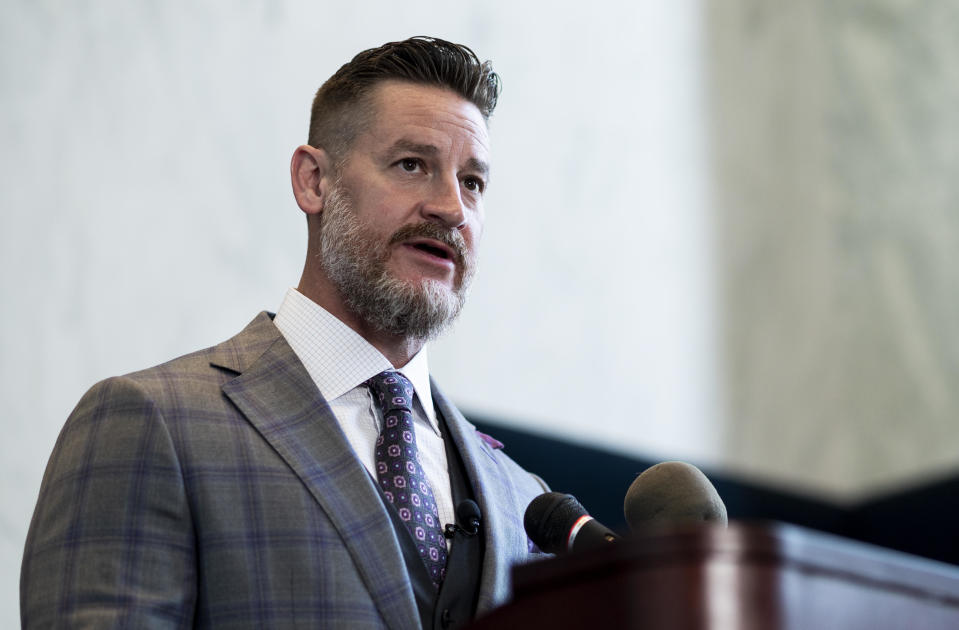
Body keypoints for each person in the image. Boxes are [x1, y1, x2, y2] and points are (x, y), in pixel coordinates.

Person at [21, 37, 548, 630]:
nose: (451, 207)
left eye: (473, 182)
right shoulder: (152, 423)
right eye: (412, 165)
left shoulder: (526, 501)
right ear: (313, 181)